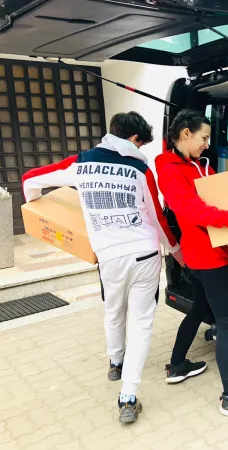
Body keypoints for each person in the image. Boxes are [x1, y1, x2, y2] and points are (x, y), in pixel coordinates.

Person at [22, 112, 183, 424]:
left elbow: (30, 179)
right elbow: (157, 218)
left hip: (109, 257)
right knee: (141, 323)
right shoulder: (140, 169)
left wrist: (39, 209)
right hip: (144, 254)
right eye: (141, 143)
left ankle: (115, 362)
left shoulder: (81, 163)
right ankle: (128, 397)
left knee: (112, 309)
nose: (141, 148)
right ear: (133, 139)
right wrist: (176, 250)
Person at [155, 108, 228, 416]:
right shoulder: (169, 168)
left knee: (199, 309)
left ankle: (177, 365)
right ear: (185, 134)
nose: (207, 144)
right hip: (205, 257)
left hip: (200, 254)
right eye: (204, 138)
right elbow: (191, 209)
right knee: (227, 323)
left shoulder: (192, 164)